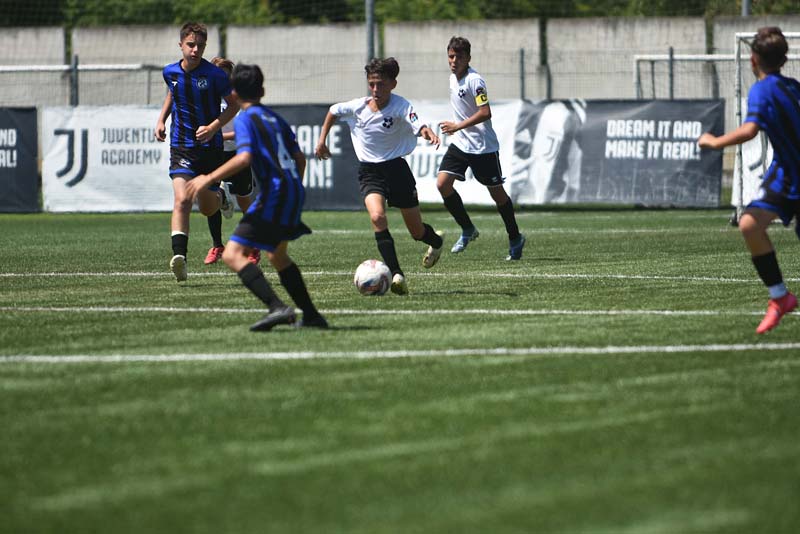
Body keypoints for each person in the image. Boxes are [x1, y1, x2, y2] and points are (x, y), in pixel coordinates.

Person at [184, 64, 327, 331]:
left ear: (234, 94)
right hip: (293, 190)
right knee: (277, 256)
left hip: (275, 194)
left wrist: (209, 178)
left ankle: (277, 307)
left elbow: (245, 157)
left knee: (233, 254)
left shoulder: (245, 119)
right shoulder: (276, 118)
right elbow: (299, 159)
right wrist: (294, 188)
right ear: (262, 91)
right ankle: (311, 316)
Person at [698, 26, 799, 334]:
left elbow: (750, 129)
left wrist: (715, 142)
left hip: (791, 173)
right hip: (786, 174)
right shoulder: (793, 86)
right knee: (749, 224)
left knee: (751, 226)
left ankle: (779, 296)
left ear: (753, 59)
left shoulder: (762, 90)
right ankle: (780, 298)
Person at [315, 57, 444, 295]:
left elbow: (417, 123)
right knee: (377, 216)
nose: (375, 89)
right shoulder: (357, 107)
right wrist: (322, 140)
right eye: (372, 83)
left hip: (397, 171)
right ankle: (397, 274)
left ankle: (436, 241)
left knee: (417, 232)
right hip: (369, 172)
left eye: (381, 84)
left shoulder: (400, 105)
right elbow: (333, 111)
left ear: (393, 84)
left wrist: (427, 132)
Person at [154, 22, 238, 282]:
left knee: (206, 208)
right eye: (190, 45)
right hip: (181, 146)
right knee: (182, 200)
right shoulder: (170, 72)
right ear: (181, 45)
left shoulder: (215, 75)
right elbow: (173, 93)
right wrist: (161, 120)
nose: (195, 50)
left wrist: (213, 128)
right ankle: (180, 257)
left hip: (210, 150)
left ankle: (220, 196)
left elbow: (234, 106)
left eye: (200, 46)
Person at [436, 36, 525, 260]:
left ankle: (515, 237)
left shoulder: (475, 81)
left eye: (459, 57)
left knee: (498, 195)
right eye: (451, 56)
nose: (454, 61)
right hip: (461, 144)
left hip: (483, 147)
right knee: (443, 184)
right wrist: (458, 128)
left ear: (468, 58)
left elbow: (485, 112)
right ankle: (467, 228)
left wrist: (457, 126)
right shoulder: (452, 79)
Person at [204, 56, 260, 266]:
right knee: (209, 198)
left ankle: (253, 246)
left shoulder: (238, 99)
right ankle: (217, 245)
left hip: (237, 155)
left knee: (245, 201)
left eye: (226, 75)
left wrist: (216, 134)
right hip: (214, 153)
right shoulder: (206, 97)